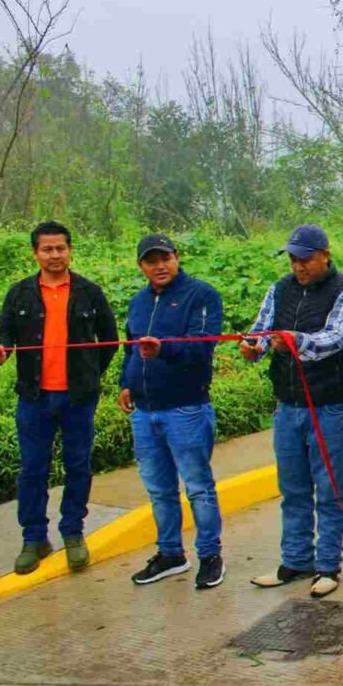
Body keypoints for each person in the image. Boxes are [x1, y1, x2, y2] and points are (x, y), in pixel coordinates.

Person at [0, 221, 118, 575]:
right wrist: (0, 350)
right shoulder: (19, 294)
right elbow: (4, 335)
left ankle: (73, 533)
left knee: (78, 466)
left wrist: (88, 375)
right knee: (32, 469)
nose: (55, 255)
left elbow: (109, 339)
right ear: (35, 253)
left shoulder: (90, 292)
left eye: (60, 248)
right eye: (47, 249)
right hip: (34, 397)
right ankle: (34, 539)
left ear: (70, 250)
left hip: (78, 399)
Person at [241, 224, 343, 599]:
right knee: (292, 489)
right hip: (288, 406)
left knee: (329, 489)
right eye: (293, 259)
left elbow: (335, 338)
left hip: (329, 407)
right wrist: (254, 347)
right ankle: (295, 561)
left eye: (305, 258)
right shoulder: (280, 289)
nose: (298, 266)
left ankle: (328, 566)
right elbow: (262, 330)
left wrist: (295, 342)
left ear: (325, 254)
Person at [119, 233, 226, 589]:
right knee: (159, 489)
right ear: (141, 267)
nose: (159, 266)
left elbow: (203, 345)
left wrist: (163, 350)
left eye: (165, 258)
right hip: (144, 411)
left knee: (198, 487)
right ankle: (170, 554)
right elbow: (130, 349)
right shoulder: (137, 302)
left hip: (186, 409)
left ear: (177, 257)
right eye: (151, 261)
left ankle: (210, 556)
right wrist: (126, 382)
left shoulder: (201, 294)